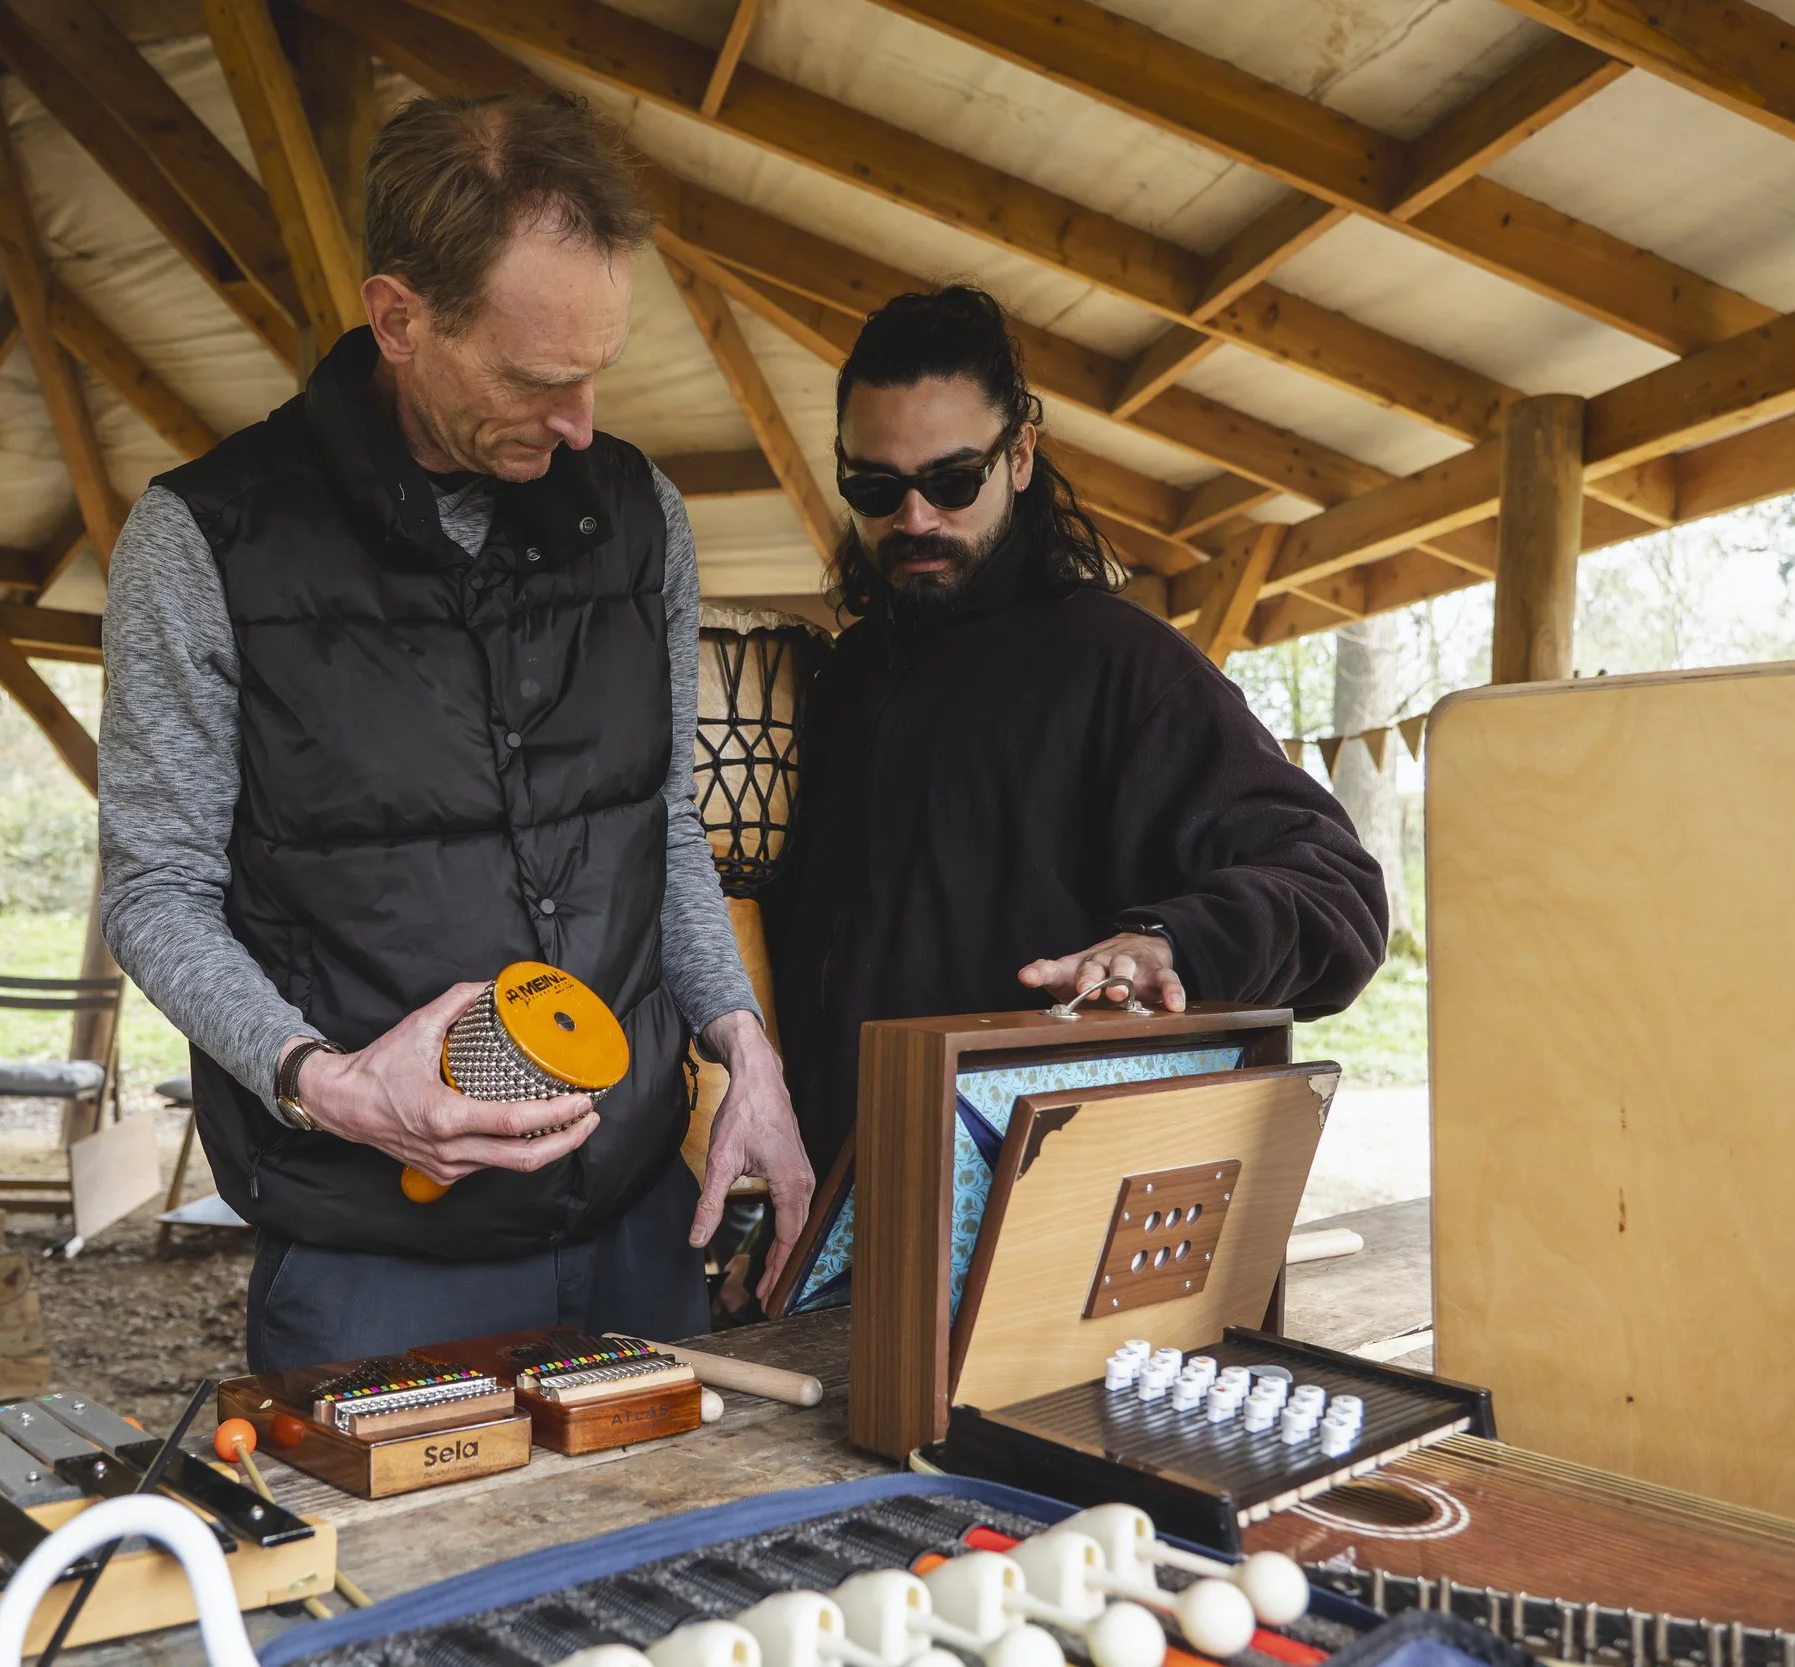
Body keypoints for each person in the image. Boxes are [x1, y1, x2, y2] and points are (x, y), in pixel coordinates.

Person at [101, 92, 813, 1370]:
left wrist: (742, 1048)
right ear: (399, 319)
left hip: (641, 1225)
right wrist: (329, 1081)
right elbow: (155, 891)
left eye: (599, 370)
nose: (583, 422)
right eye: (540, 379)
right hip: (376, 1257)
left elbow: (662, 833)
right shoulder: (204, 539)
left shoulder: (639, 514)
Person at [767, 288, 1392, 1170]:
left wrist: (1168, 944)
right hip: (836, 1226)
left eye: (951, 481)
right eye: (874, 487)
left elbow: (1337, 890)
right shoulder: (842, 680)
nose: (913, 518)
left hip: (1039, 1224)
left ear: (1020, 453)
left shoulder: (1125, 667)